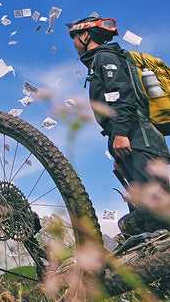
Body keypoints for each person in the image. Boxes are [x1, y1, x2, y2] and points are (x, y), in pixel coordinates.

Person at [68, 15, 170, 237]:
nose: (74, 43)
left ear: (85, 35)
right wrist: (118, 153)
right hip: (135, 141)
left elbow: (123, 97)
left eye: (74, 37)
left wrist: (121, 134)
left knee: (157, 212)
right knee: (149, 205)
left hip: (139, 138)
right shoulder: (100, 60)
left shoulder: (105, 57)